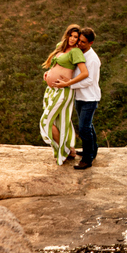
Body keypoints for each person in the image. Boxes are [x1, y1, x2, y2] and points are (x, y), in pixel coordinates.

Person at [39, 24, 89, 165]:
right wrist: (49, 72)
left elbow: (85, 73)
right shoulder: (60, 46)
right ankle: (70, 150)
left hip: (63, 91)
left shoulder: (75, 52)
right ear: (66, 35)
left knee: (45, 121)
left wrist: (68, 83)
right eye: (71, 36)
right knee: (60, 121)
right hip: (51, 90)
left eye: (76, 37)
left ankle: (64, 149)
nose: (72, 39)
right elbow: (56, 64)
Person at [64, 27, 101, 170]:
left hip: (89, 98)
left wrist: (69, 85)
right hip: (80, 97)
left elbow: (89, 81)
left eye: (83, 42)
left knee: (84, 128)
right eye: (79, 40)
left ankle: (87, 159)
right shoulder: (80, 53)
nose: (79, 43)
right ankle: (92, 151)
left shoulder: (93, 59)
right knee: (88, 126)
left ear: (91, 43)